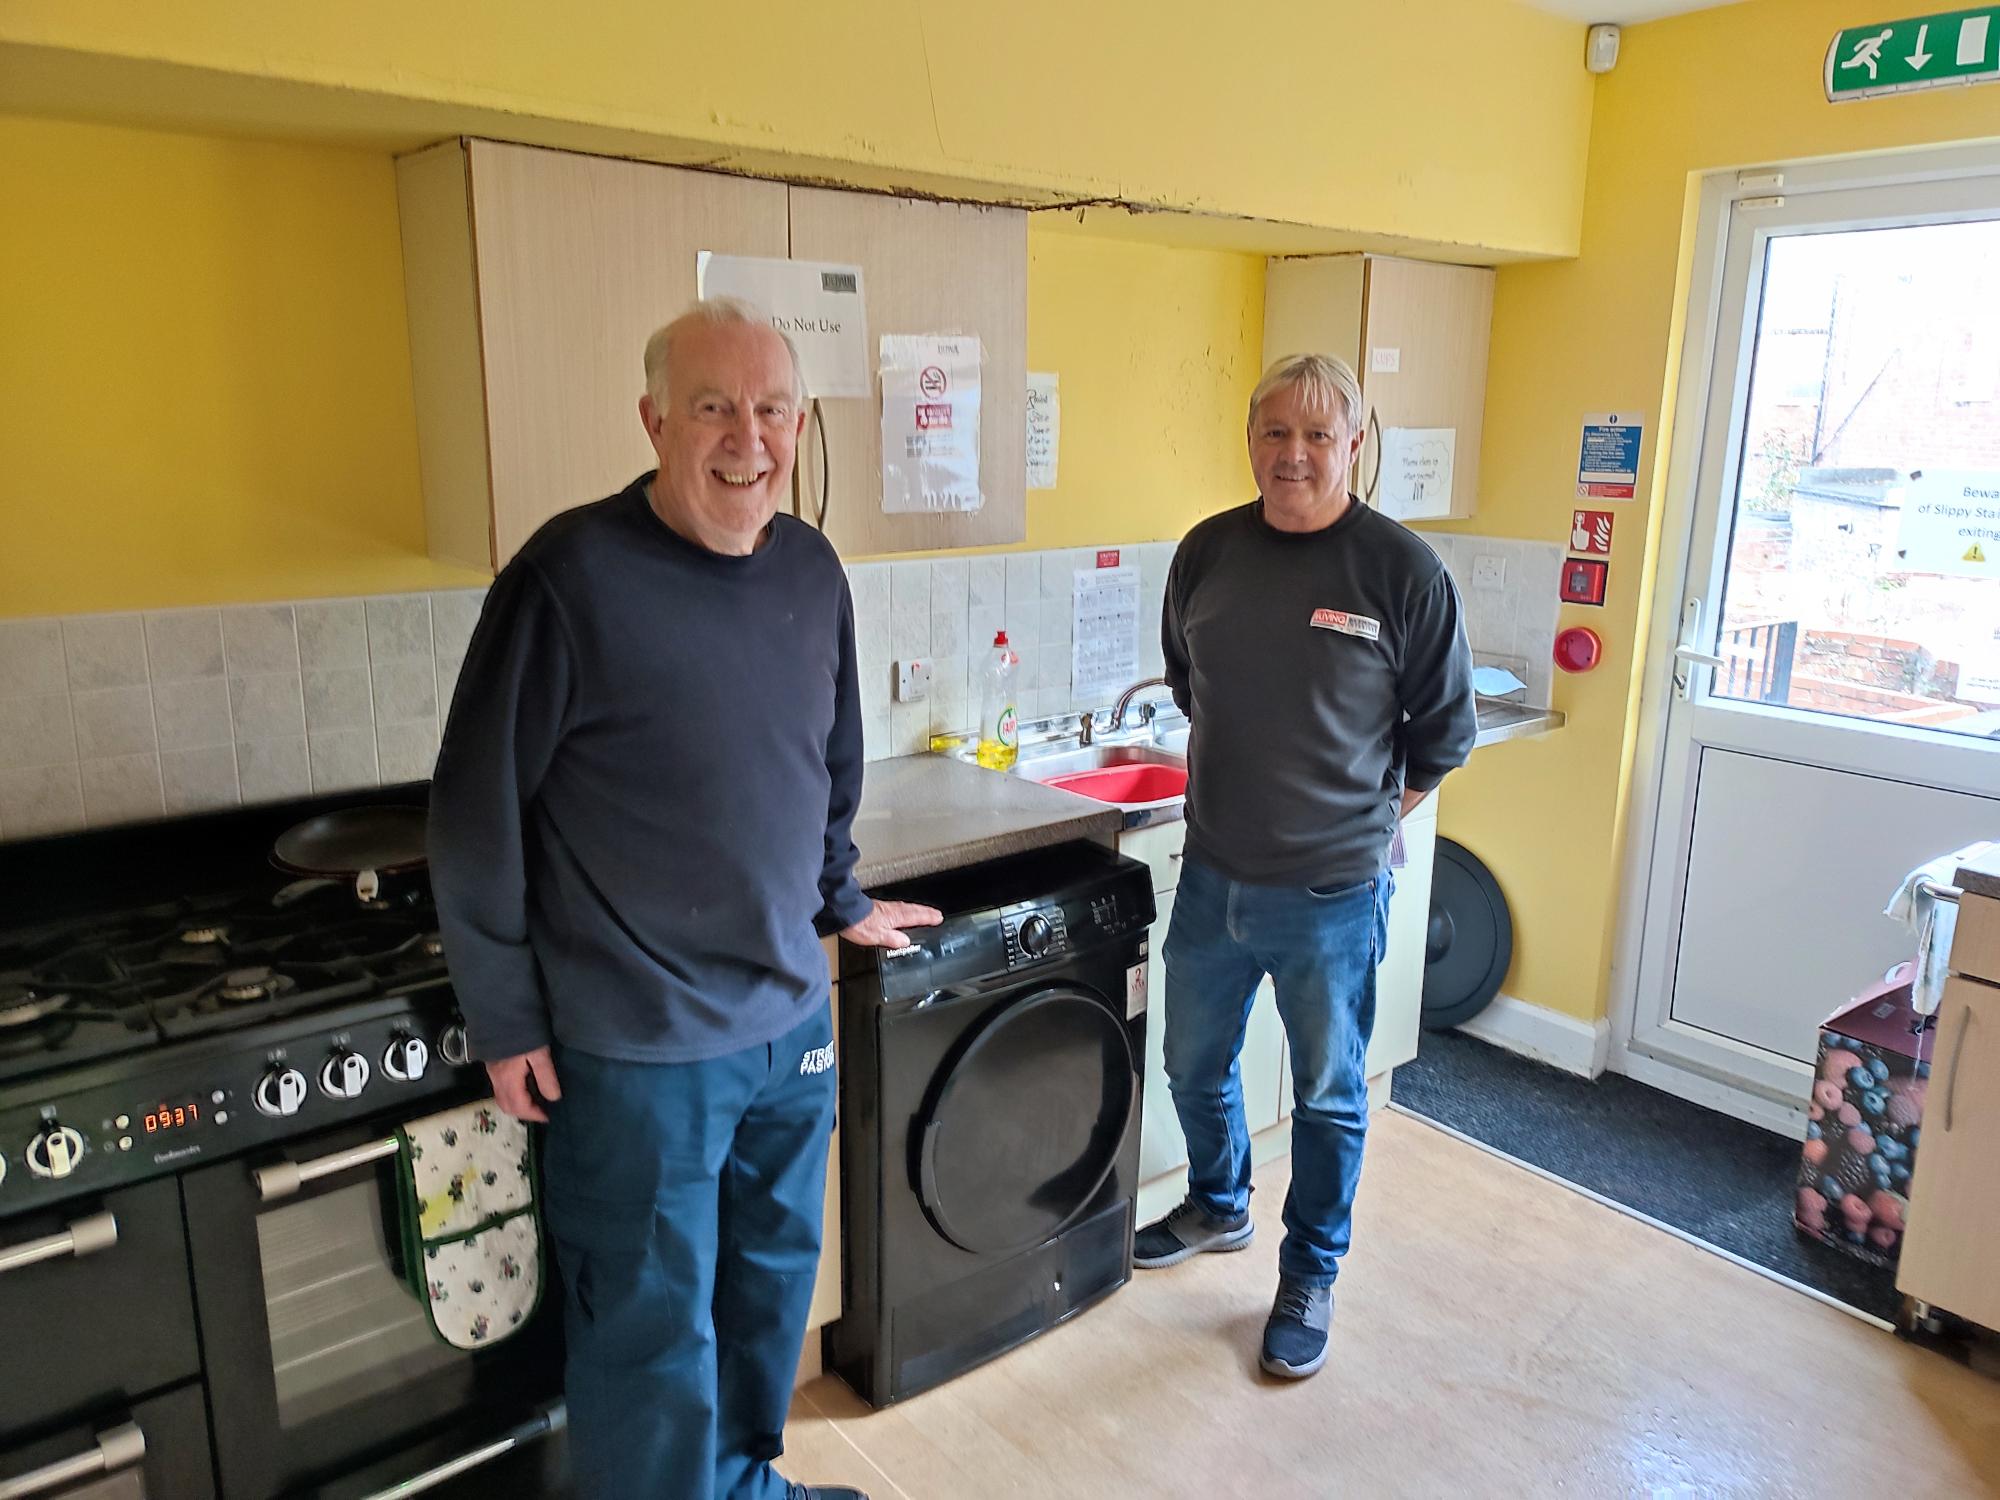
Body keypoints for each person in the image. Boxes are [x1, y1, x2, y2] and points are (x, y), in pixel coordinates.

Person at [429, 298, 939, 1500]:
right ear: (654, 418)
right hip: (639, 1048)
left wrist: (837, 893)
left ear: (799, 424)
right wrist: (503, 1014)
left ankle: (742, 1487)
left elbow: (829, 761)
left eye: (769, 411)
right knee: (652, 1337)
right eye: (712, 406)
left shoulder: (811, 570)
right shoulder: (568, 577)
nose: (744, 438)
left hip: (785, 1026)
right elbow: (472, 811)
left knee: (765, 1296)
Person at [1132, 352, 1476, 1380]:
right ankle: (1218, 1203)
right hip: (1211, 877)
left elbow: (1442, 737)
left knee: (1327, 1097)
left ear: (1353, 445)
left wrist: (1369, 824)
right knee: (1191, 1063)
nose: (1293, 455)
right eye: (1274, 433)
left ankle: (1308, 1272)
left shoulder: (1402, 573)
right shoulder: (1206, 553)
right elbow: (1197, 689)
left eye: (1317, 436)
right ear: (1250, 441)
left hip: (1330, 894)